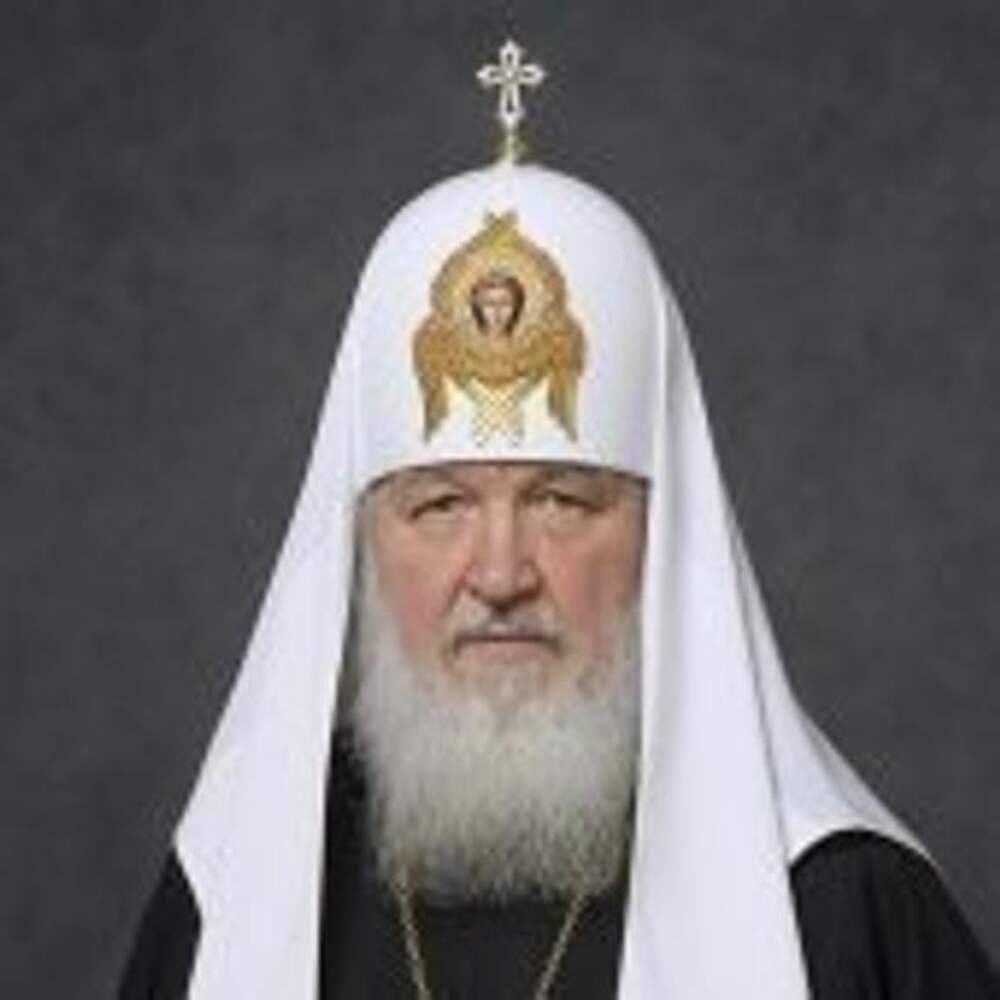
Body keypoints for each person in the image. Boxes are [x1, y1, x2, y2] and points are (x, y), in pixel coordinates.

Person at [120, 39, 998, 1000]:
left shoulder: (841, 902)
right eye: (441, 505)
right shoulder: (238, 889)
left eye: (561, 501)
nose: (501, 574)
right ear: (364, 547)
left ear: (660, 535)